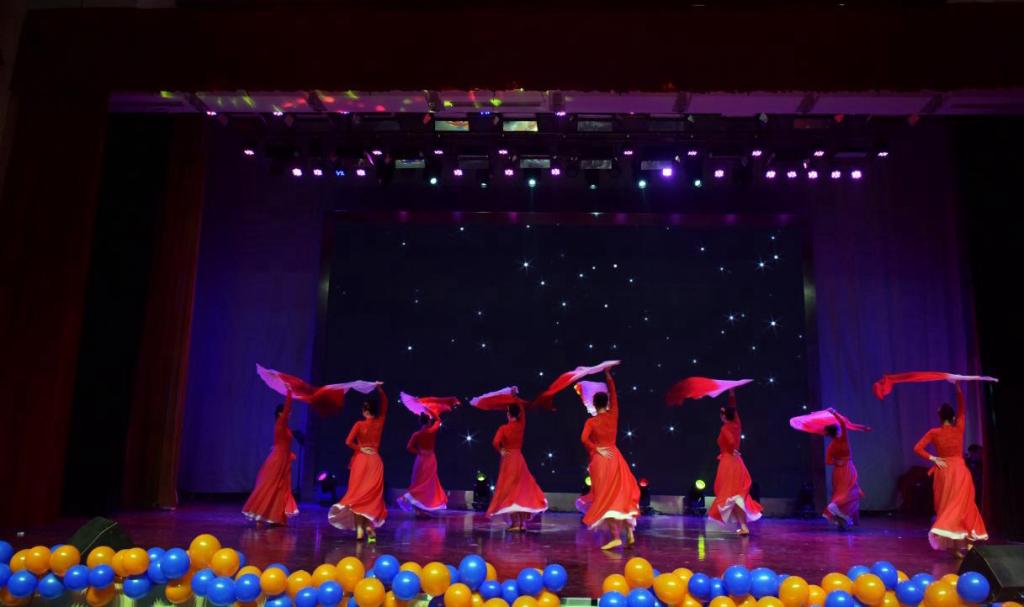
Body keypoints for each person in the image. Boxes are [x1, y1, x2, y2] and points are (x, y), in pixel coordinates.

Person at [913, 381, 989, 556]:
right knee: (963, 505)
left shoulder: (934, 432)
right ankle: (965, 543)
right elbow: (963, 408)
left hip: (944, 472)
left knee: (949, 506)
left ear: (940, 418)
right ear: (953, 417)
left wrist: (933, 458)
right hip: (959, 471)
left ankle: (956, 547)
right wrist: (958, 388)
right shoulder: (959, 428)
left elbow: (917, 448)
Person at [579, 368, 641, 550]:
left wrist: (595, 448)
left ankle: (616, 537)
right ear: (606, 403)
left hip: (601, 461)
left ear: (594, 404)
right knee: (621, 496)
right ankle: (629, 532)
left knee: (607, 499)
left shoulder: (591, 422)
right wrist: (609, 377)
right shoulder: (613, 415)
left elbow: (583, 439)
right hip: (615, 458)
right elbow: (614, 396)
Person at [329, 385, 388, 542]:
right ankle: (368, 527)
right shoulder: (380, 422)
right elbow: (385, 404)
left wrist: (360, 448)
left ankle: (360, 531)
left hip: (361, 460)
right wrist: (380, 389)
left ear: (364, 410)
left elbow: (348, 441)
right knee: (369, 497)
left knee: (357, 496)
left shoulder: (359, 424)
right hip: (375, 461)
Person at [486, 403, 548, 531]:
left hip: (508, 460)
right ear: (518, 414)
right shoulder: (520, 426)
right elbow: (523, 413)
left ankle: (515, 524)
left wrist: (501, 450)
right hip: (519, 459)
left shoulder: (503, 428)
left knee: (510, 492)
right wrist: (515, 398)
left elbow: (495, 442)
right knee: (521, 491)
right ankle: (521, 524)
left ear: (508, 414)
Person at [708, 389, 762, 534]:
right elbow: (734, 409)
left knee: (732, 495)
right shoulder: (737, 423)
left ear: (723, 416)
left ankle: (744, 526)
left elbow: (731, 441)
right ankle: (743, 526)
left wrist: (732, 449)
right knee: (736, 496)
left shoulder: (725, 428)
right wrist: (731, 394)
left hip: (728, 462)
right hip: (737, 462)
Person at [242, 389, 299, 525]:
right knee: (271, 485)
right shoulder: (280, 423)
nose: (289, 414)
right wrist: (289, 393)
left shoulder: (285, 427)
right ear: (280, 413)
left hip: (284, 459)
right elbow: (287, 408)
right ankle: (259, 515)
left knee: (281, 488)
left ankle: (275, 517)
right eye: (286, 412)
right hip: (278, 460)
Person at [822, 408, 866, 529]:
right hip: (846, 469)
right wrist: (834, 412)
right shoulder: (842, 439)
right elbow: (842, 422)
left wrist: (837, 462)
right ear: (837, 431)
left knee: (844, 492)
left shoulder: (831, 446)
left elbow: (828, 461)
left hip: (839, 471)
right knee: (848, 493)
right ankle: (844, 516)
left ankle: (845, 518)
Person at [399, 411, 448, 514]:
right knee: (427, 483)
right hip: (430, 459)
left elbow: (409, 447)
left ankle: (419, 508)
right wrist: (430, 411)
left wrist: (419, 452)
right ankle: (408, 498)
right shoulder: (431, 431)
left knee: (419, 482)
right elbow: (438, 420)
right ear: (429, 421)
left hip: (420, 459)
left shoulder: (417, 434)